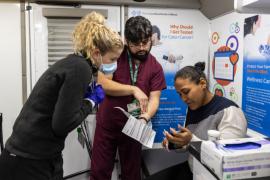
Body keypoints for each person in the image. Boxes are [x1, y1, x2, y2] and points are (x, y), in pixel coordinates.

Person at [0, 11, 125, 180]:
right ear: (96, 53)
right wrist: (91, 101)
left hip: (43, 153)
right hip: (27, 159)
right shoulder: (80, 69)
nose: (114, 65)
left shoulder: (73, 62)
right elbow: (62, 124)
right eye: (112, 59)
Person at [90, 16, 166, 180]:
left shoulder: (155, 67)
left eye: (145, 43)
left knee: (132, 174)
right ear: (126, 41)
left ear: (150, 39)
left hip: (135, 126)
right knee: (99, 172)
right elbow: (103, 84)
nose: (141, 48)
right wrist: (133, 89)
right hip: (108, 125)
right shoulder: (116, 54)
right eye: (135, 44)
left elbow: (155, 99)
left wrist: (145, 117)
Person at [162, 62, 247, 179]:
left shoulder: (229, 111)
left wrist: (191, 140)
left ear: (202, 83)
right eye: (179, 94)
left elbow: (227, 158)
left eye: (186, 92)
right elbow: (191, 146)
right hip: (194, 169)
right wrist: (177, 143)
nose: (183, 99)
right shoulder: (192, 107)